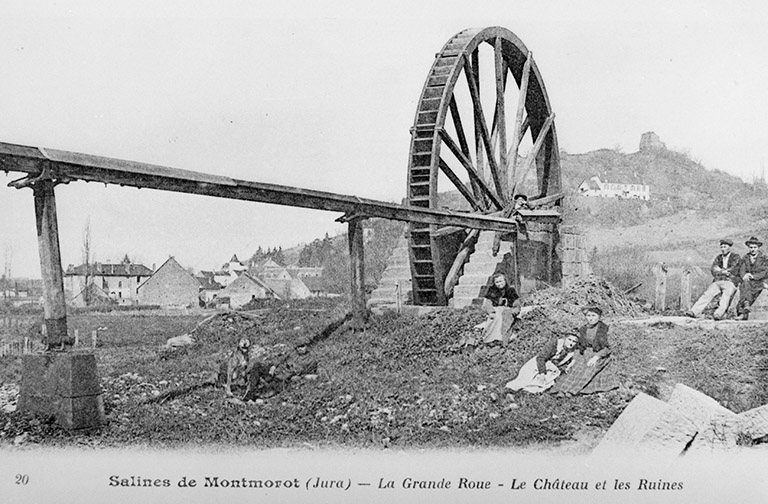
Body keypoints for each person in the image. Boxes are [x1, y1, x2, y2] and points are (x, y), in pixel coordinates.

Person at [549, 306, 619, 395]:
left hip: (599, 354)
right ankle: (561, 390)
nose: (591, 318)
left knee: (589, 369)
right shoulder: (583, 329)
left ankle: (572, 391)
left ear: (599, 316)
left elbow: (607, 348)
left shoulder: (604, 329)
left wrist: (596, 357)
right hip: (584, 353)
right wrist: (573, 361)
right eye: (588, 316)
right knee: (574, 369)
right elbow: (579, 346)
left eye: (593, 315)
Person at [685, 239, 740, 320]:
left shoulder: (735, 257)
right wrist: (724, 271)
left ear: (729, 247)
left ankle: (718, 314)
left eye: (725, 247)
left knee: (726, 295)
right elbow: (713, 270)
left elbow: (734, 269)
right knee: (707, 294)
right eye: (721, 247)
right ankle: (694, 311)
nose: (723, 249)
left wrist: (720, 270)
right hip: (718, 281)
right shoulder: (718, 257)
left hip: (730, 281)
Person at [505, 334, 579, 393]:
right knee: (525, 379)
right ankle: (509, 391)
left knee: (543, 383)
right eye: (569, 340)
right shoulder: (555, 344)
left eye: (574, 341)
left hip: (551, 368)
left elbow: (564, 363)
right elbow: (541, 358)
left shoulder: (572, 351)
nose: (571, 343)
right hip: (539, 363)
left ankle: (526, 392)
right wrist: (542, 373)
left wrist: (568, 366)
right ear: (565, 338)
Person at [474, 273, 521, 345]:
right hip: (495, 310)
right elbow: (488, 303)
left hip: (507, 311)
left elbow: (516, 303)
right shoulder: (492, 291)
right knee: (494, 319)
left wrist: (514, 311)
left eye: (501, 281)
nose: (499, 284)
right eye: (497, 282)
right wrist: (491, 312)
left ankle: (501, 339)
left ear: (505, 281)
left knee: (504, 321)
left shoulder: (511, 290)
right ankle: (490, 339)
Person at [736, 237, 768, 320]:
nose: (753, 249)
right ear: (748, 248)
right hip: (748, 281)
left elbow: (765, 272)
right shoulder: (745, 258)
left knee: (746, 289)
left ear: (758, 248)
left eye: (755, 247)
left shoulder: (764, 258)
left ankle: (743, 313)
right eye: (751, 247)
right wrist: (744, 276)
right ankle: (746, 306)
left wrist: (753, 276)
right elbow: (741, 269)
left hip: (759, 281)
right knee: (745, 284)